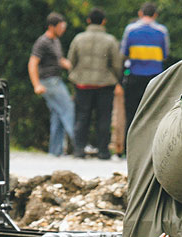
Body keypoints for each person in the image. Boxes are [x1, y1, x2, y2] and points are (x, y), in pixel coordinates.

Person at [67, 8, 123, 160]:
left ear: (88, 21)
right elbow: (117, 64)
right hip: (104, 85)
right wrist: (117, 79)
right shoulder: (110, 40)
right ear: (104, 21)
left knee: (82, 117)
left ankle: (79, 149)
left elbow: (71, 60)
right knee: (103, 118)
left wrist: (75, 76)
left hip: (82, 84)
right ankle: (103, 151)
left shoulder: (78, 38)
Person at [120, 2, 169, 152]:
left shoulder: (131, 29)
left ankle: (130, 148)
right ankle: (151, 148)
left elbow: (124, 52)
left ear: (140, 13)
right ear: (155, 15)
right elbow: (165, 54)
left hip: (134, 75)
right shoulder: (162, 31)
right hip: (154, 76)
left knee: (132, 112)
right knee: (155, 112)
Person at [28, 12, 76, 157]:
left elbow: (61, 61)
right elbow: (32, 63)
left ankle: (55, 151)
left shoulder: (55, 41)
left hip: (56, 79)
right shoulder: (43, 41)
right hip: (49, 82)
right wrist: (36, 84)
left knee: (58, 114)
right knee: (68, 110)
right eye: (61, 27)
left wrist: (77, 69)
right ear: (51, 26)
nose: (63, 30)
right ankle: (79, 144)